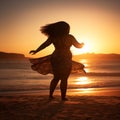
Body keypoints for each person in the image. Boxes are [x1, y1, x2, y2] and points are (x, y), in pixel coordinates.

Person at [29, 21, 84, 101]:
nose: (69, 29)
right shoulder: (70, 37)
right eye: (68, 28)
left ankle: (50, 95)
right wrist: (83, 44)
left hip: (56, 58)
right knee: (64, 79)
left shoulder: (54, 37)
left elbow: (45, 44)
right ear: (65, 29)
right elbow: (78, 46)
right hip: (66, 59)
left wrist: (36, 50)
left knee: (56, 78)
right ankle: (63, 97)